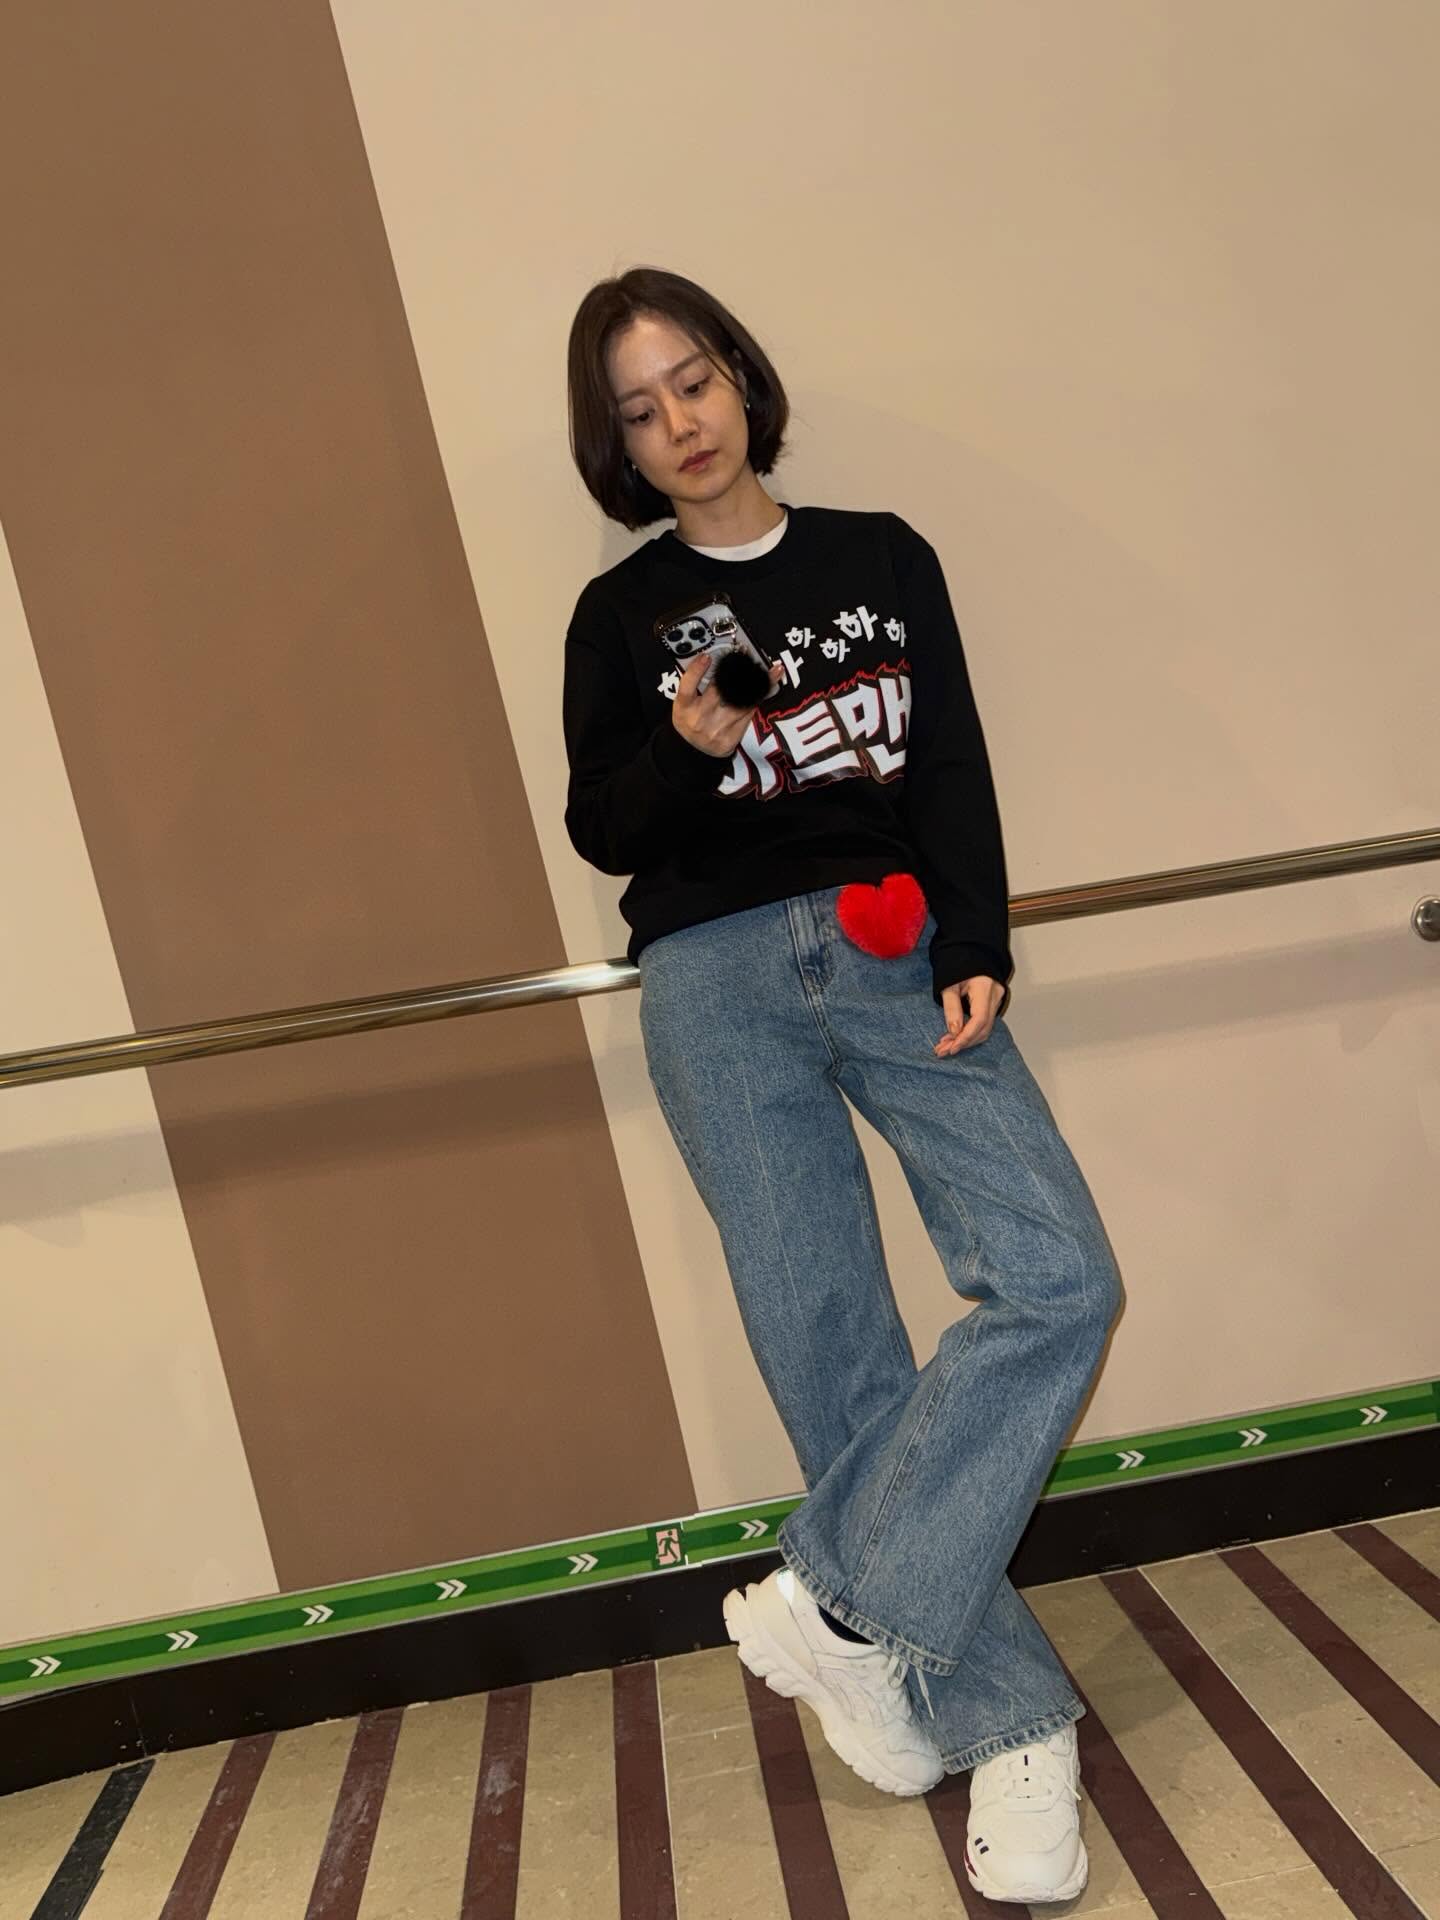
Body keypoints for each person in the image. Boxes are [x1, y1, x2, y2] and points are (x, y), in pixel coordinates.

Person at [562, 266, 1121, 1907]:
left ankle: (833, 1596)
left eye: (694, 381)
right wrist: (682, 746)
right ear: (618, 444)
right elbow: (605, 829)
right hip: (713, 976)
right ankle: (1009, 1726)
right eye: (639, 410)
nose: (680, 423)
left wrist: (979, 935)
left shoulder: (881, 557)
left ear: (742, 376)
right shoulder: (618, 615)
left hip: (893, 947)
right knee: (828, 1338)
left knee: (1059, 1276)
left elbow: (947, 759)